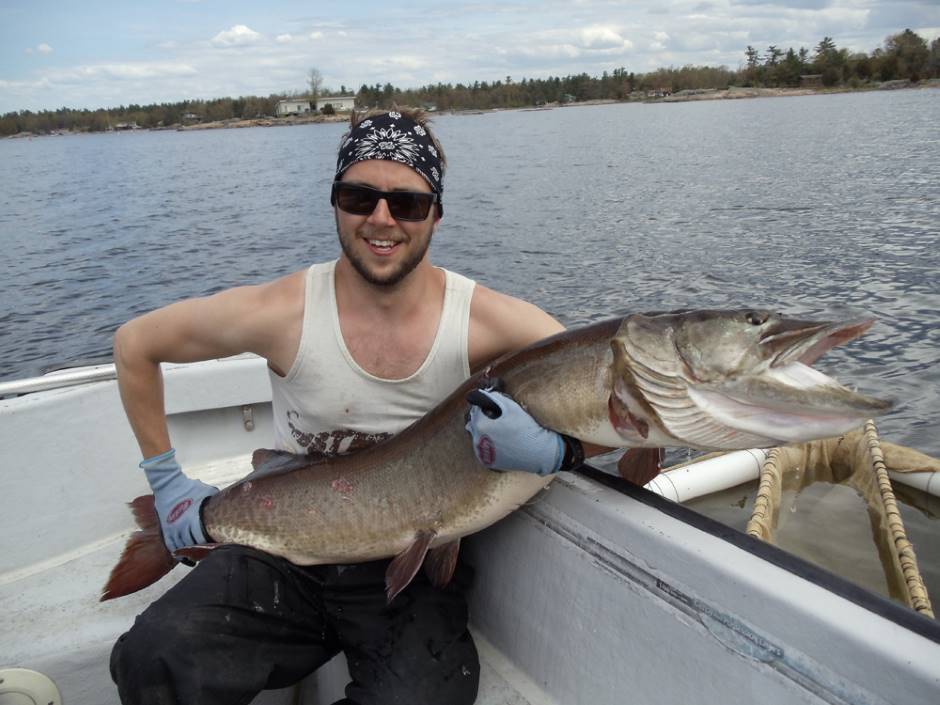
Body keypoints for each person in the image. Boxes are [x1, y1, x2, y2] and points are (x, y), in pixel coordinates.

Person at [109, 107, 593, 705]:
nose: (381, 219)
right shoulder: (282, 312)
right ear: (335, 203)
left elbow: (605, 385)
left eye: (407, 203)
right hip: (284, 549)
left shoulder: (490, 321)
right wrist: (166, 482)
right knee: (155, 655)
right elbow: (135, 345)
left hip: (409, 565)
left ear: (436, 214)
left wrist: (560, 449)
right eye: (359, 197)